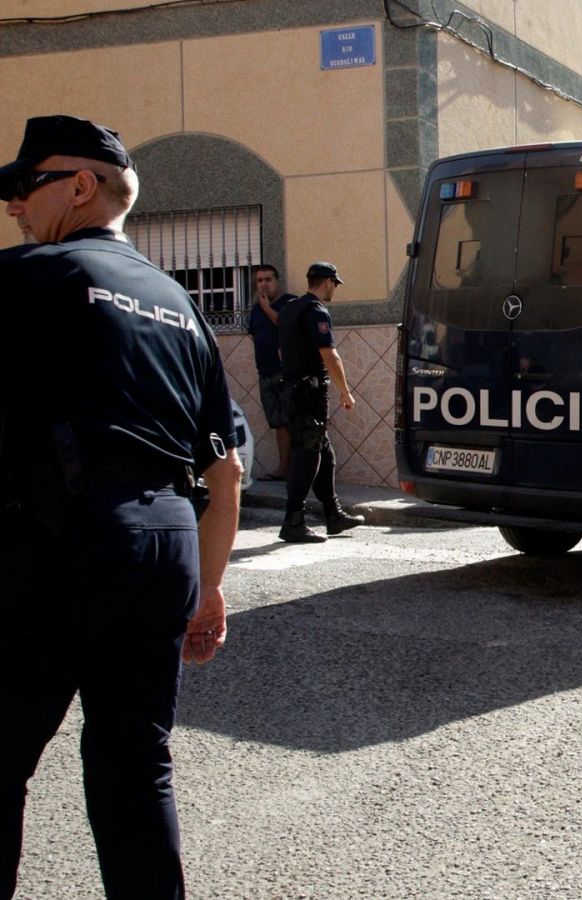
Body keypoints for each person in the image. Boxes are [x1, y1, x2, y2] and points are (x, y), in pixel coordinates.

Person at [0, 115, 241, 899]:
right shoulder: (180, 304)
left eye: (24, 187)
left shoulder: (36, 275)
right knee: (135, 766)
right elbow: (228, 469)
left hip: (61, 534)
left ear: (80, 185)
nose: (13, 207)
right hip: (165, 541)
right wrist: (208, 590)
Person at [277, 261, 364, 543]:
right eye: (334, 285)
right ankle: (293, 520)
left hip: (291, 389)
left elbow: (282, 352)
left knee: (323, 453)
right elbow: (330, 355)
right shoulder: (315, 311)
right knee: (307, 456)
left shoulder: (289, 309)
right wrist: (345, 391)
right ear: (327, 282)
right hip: (309, 393)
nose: (334, 291)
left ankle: (333, 515)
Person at [247, 264, 295, 479]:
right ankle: (283, 469)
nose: (263, 284)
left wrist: (267, 308)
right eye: (259, 281)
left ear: (277, 282)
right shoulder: (255, 310)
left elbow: (286, 326)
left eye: (268, 279)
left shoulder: (290, 303)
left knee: (293, 421)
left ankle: (299, 471)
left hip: (286, 373)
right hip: (265, 373)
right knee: (278, 424)